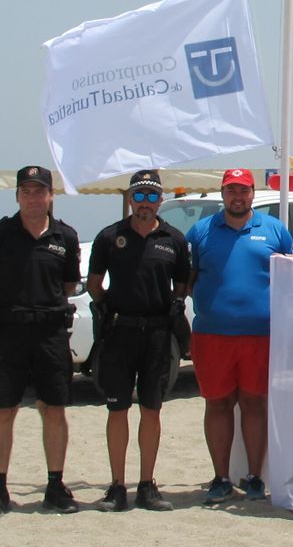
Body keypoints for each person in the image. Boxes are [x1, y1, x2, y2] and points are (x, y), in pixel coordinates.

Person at [0, 164, 82, 521]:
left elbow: (68, 286)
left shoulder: (65, 237)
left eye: (39, 191)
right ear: (17, 196)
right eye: (26, 191)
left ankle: (54, 486)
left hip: (50, 334)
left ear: (51, 196)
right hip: (8, 334)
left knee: (54, 410)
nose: (33, 198)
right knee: (3, 411)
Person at [187, 168, 293, 505]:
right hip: (211, 336)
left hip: (261, 337)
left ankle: (255, 478)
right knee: (217, 404)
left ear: (252, 193)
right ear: (222, 193)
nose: (238, 196)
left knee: (254, 404)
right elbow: (188, 279)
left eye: (244, 190)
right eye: (231, 190)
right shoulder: (201, 231)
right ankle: (220, 478)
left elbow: (292, 276)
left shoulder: (274, 229)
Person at [86, 170, 189, 512]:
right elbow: (95, 283)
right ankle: (117, 486)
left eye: (151, 196)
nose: (145, 203)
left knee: (152, 409)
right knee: (117, 409)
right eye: (139, 195)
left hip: (158, 336)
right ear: (130, 199)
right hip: (120, 334)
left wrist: (171, 308)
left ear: (161, 199)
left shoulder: (173, 239)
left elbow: (182, 284)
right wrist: (107, 309)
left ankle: (147, 485)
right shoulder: (109, 237)